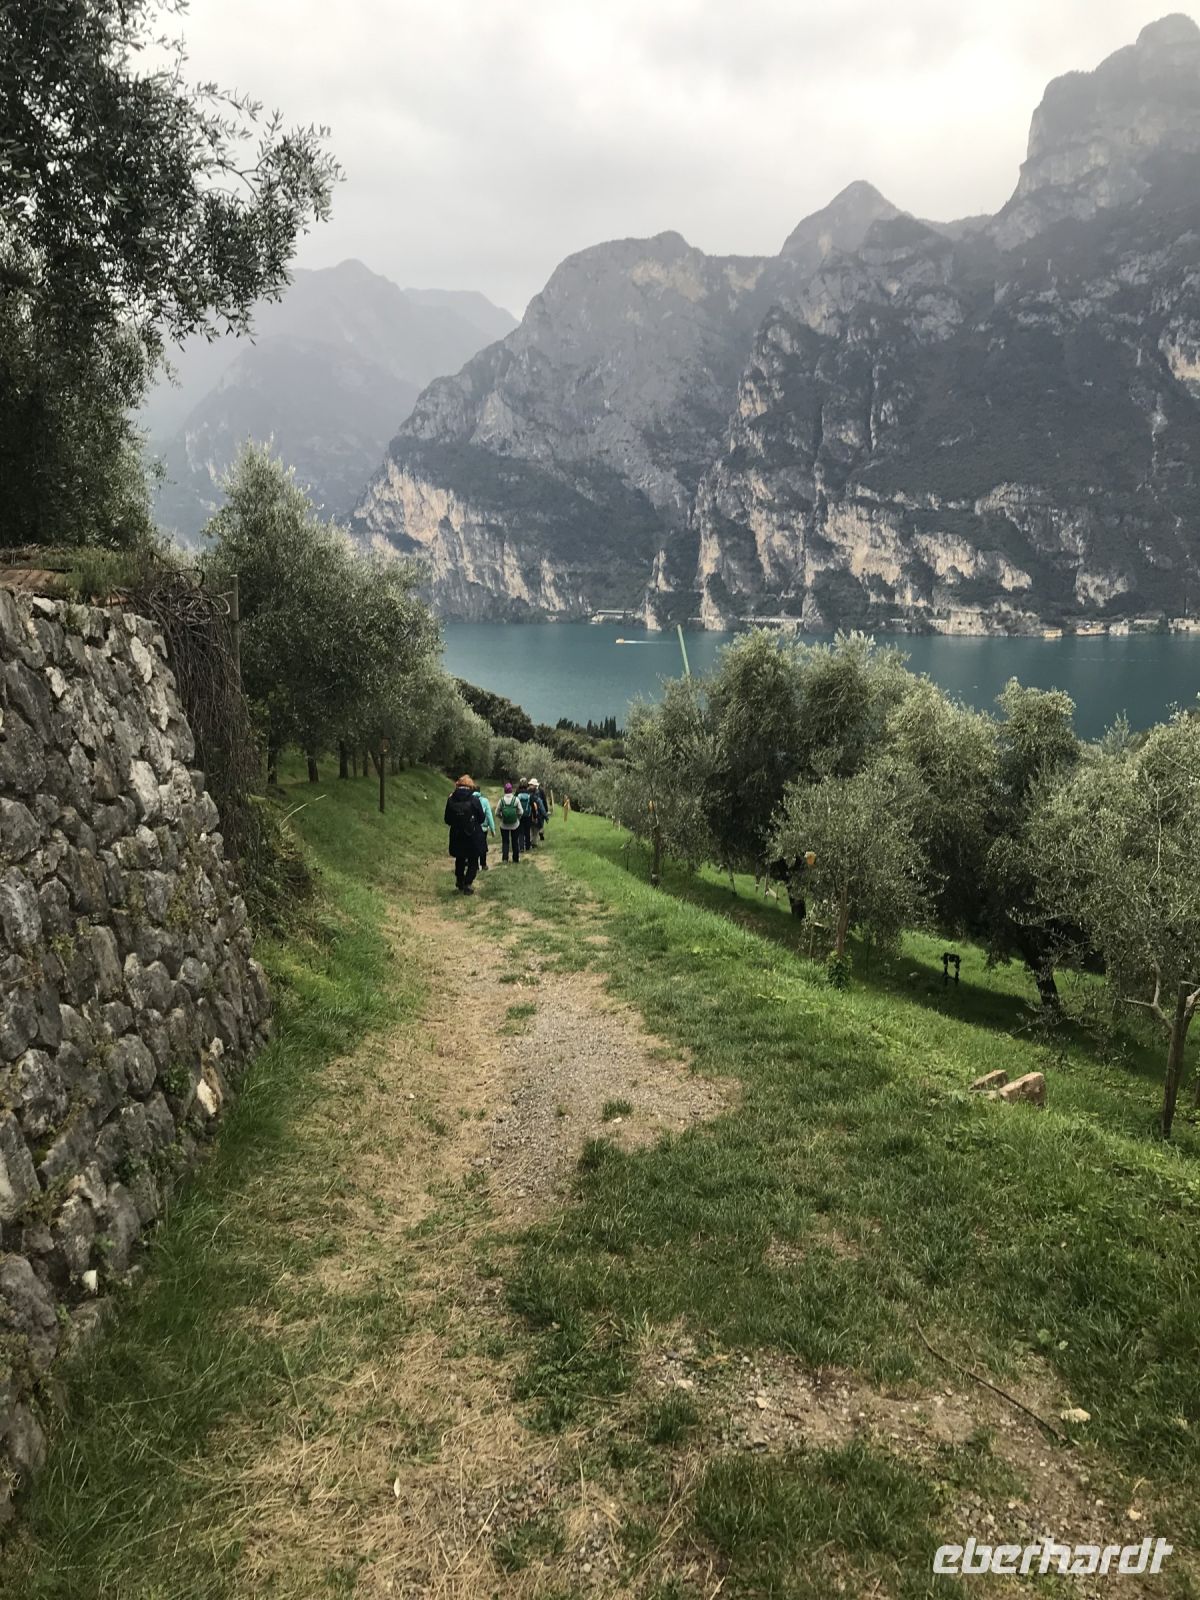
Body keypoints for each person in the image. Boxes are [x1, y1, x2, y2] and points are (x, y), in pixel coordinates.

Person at [444, 774, 485, 894]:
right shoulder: (474, 800)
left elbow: (447, 819)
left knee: (460, 858)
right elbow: (482, 818)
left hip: (457, 835)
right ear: (470, 786)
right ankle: (468, 883)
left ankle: (460, 880)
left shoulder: (451, 799)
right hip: (472, 834)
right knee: (473, 859)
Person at [497, 781, 522, 863]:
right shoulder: (516, 799)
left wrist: (502, 817)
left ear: (504, 790)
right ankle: (515, 858)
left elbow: (496, 813)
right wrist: (517, 818)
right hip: (515, 824)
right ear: (512, 790)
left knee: (505, 841)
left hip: (504, 825)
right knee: (515, 841)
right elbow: (521, 812)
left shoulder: (501, 801)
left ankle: (505, 858)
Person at [474, 783, 495, 871]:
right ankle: (483, 864)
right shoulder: (485, 801)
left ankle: (475, 865)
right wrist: (492, 829)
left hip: (473, 828)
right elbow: (489, 815)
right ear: (480, 791)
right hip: (483, 828)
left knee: (474, 846)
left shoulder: (469, 800)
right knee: (483, 845)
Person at [516, 777, 534, 853]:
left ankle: (521, 847)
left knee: (520, 831)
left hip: (520, 815)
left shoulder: (517, 793)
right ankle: (527, 846)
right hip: (528, 815)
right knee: (527, 831)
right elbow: (532, 805)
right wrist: (534, 815)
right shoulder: (528, 793)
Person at [529, 778, 547, 843]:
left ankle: (533, 840)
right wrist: (545, 811)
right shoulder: (540, 791)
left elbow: (544, 801)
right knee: (536, 825)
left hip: (537, 810)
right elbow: (544, 801)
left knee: (535, 826)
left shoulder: (529, 791)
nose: (530, 786)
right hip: (537, 810)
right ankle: (534, 840)